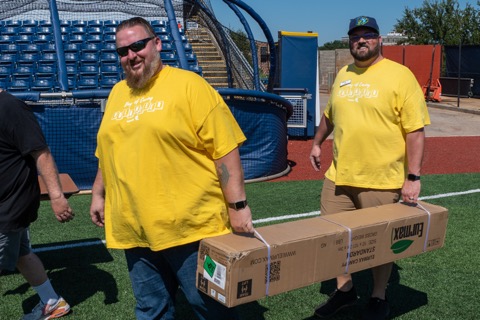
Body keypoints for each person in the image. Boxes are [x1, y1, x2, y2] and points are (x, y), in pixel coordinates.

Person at [89, 17, 254, 320]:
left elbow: (225, 150)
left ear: (157, 44)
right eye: (122, 51)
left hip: (190, 227)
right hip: (134, 227)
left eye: (138, 45)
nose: (131, 55)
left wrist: (238, 206)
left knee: (210, 306)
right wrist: (98, 193)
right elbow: (108, 151)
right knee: (152, 308)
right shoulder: (117, 94)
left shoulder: (189, 85)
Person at [309, 16, 430, 320]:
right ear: (349, 41)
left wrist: (412, 177)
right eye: (355, 36)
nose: (360, 41)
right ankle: (345, 290)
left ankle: (378, 297)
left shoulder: (400, 76)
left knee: (380, 246)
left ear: (379, 40)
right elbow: (330, 115)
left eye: (368, 35)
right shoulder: (342, 75)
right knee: (333, 241)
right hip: (339, 177)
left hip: (382, 180)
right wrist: (316, 142)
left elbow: (415, 131)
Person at [0, 89, 74, 319]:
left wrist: (57, 197)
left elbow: (41, 153)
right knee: (23, 254)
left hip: (9, 206)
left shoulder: (11, 107)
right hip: (7, 204)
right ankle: (52, 302)